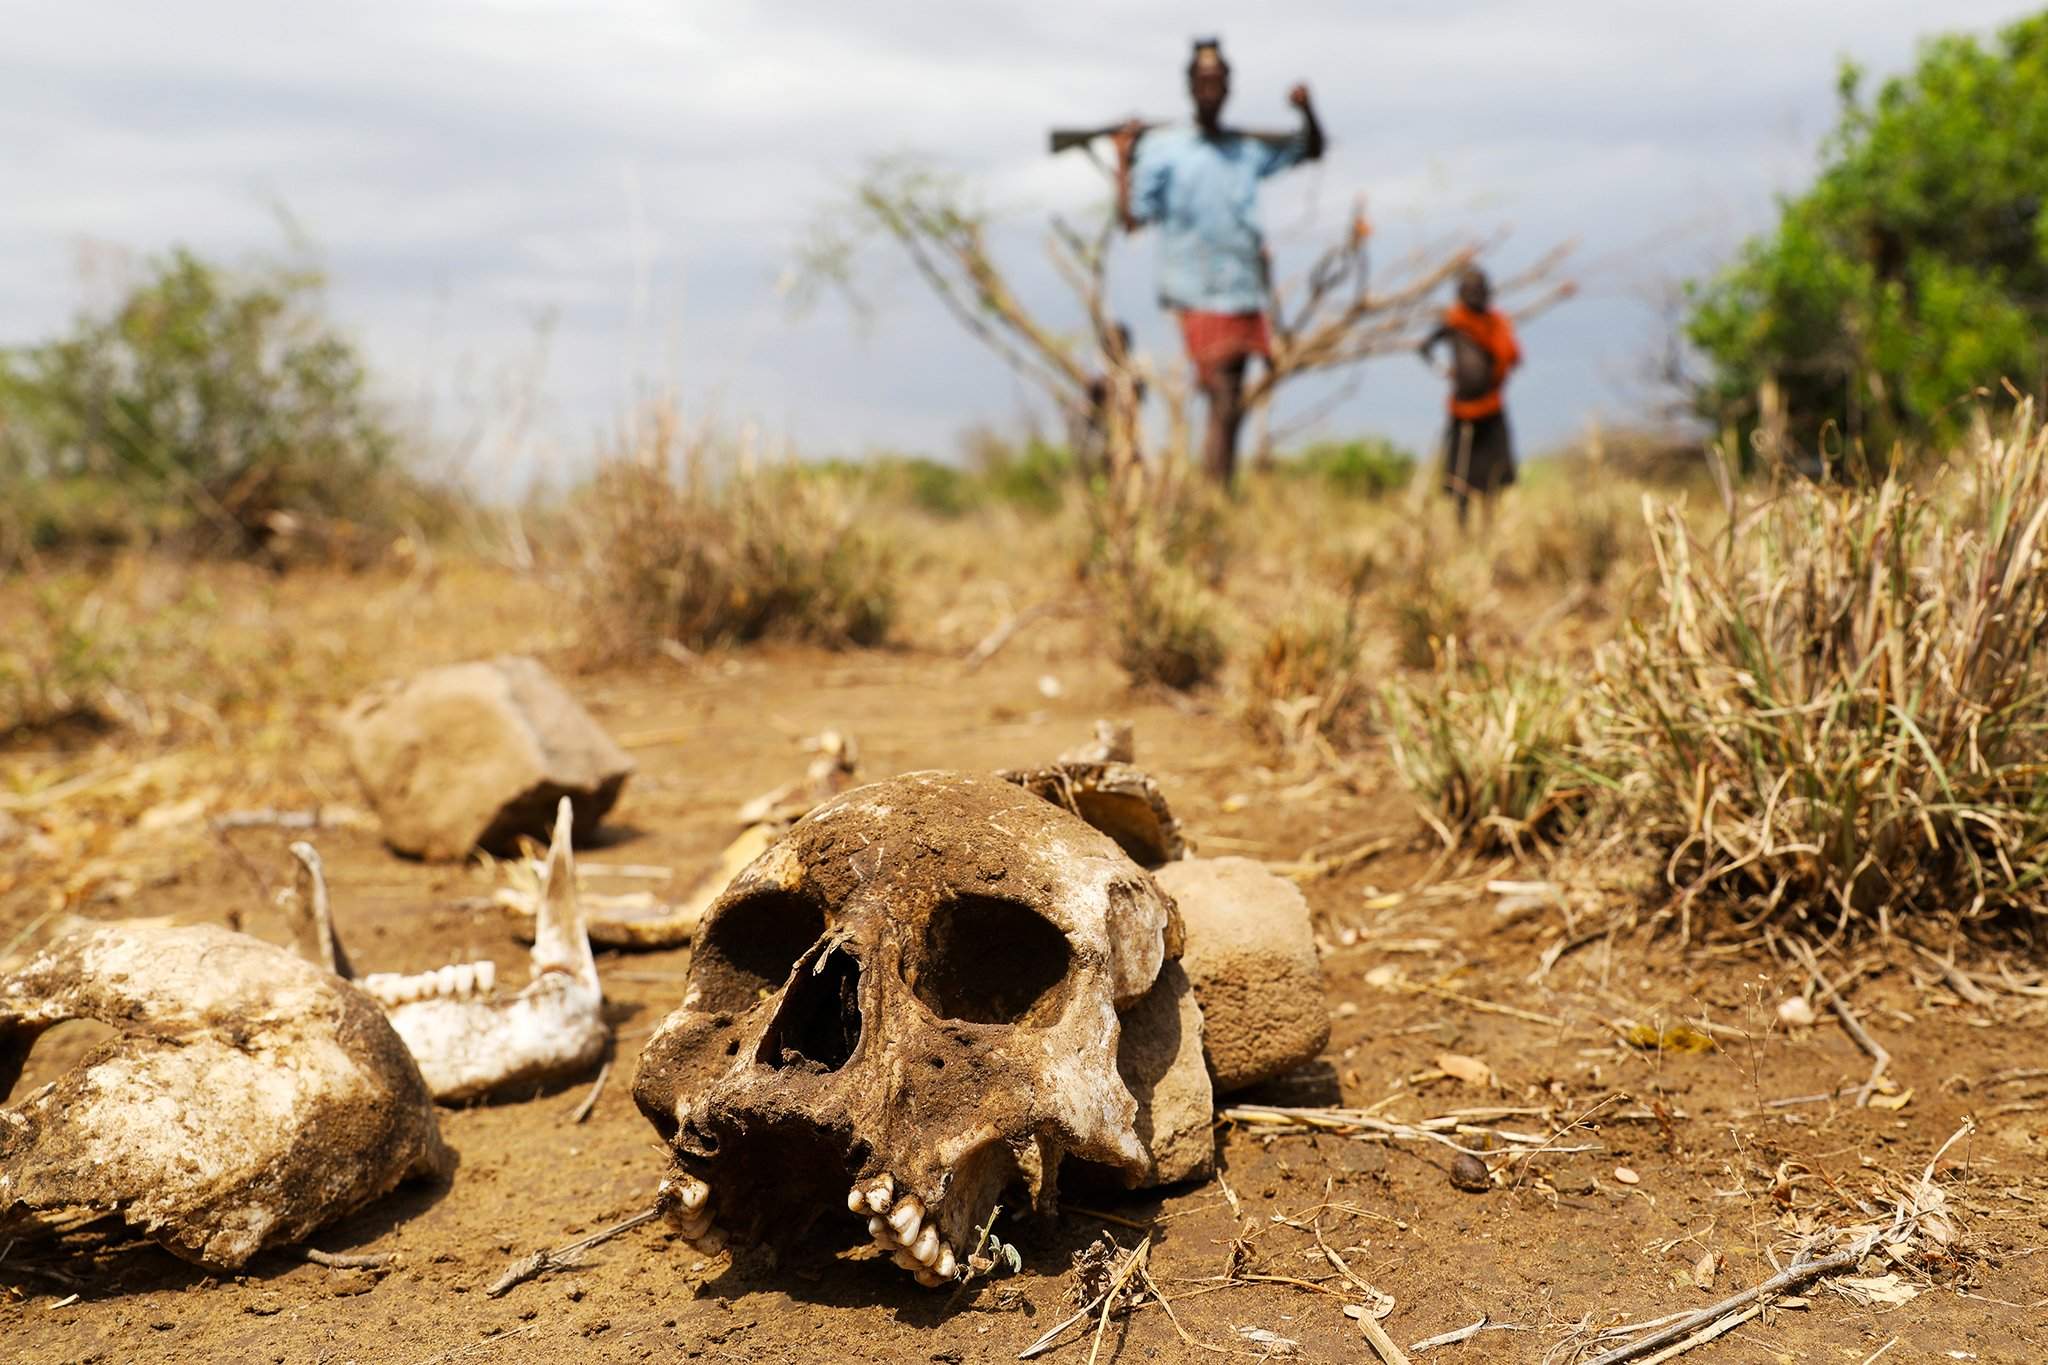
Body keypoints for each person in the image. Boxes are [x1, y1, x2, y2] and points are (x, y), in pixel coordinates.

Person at [1114, 38, 1323, 487]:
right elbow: (1132, 219)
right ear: (1190, 86)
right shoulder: (1165, 150)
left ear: (1228, 87)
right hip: (1195, 289)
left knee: (1229, 398)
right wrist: (1123, 161)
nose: (1210, 88)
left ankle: (1215, 490)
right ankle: (1211, 494)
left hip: (1244, 288)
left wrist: (1307, 110)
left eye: (1218, 80)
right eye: (1202, 80)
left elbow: (1310, 149)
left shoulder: (1245, 149)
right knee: (1222, 392)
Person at [1420, 266, 1521, 530]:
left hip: (1491, 406)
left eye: (1478, 289)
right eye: (1469, 289)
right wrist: (1443, 370)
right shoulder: (1454, 322)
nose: (1474, 294)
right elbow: (1424, 347)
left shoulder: (1495, 324)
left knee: (1492, 474)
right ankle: (1462, 529)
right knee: (1460, 473)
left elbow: (1509, 357)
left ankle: (1488, 529)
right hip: (1462, 408)